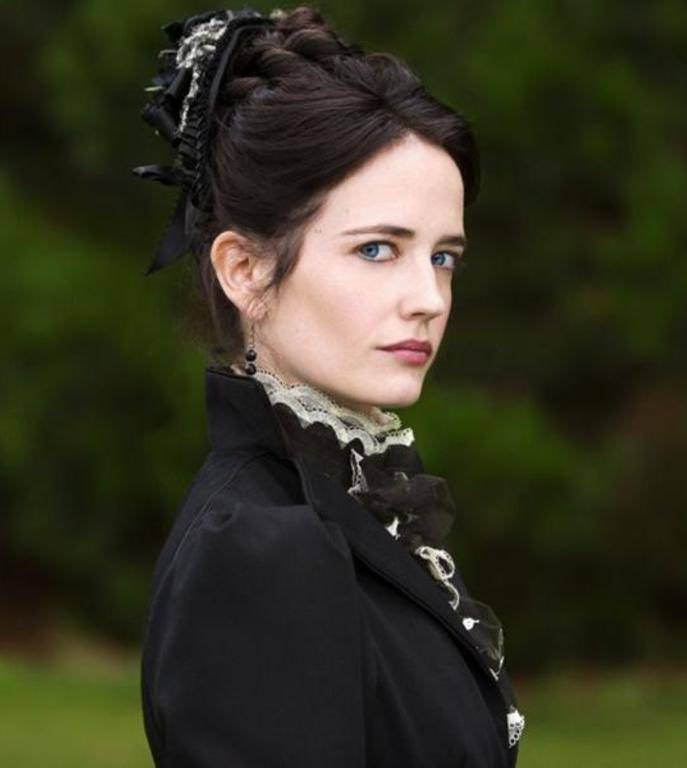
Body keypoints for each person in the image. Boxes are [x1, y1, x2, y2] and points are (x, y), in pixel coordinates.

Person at [133, 6, 525, 766]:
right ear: (245, 270)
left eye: (444, 257)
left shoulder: (344, 504)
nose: (429, 298)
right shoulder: (258, 549)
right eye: (377, 249)